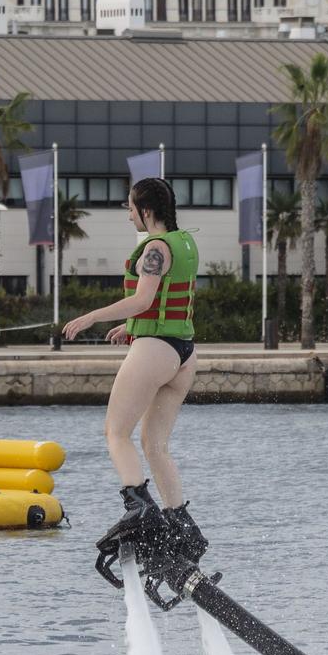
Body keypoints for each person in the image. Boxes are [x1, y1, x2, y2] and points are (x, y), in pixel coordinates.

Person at [60, 176, 204, 557]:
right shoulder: (184, 242)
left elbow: (142, 299)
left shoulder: (155, 247)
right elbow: (167, 300)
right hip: (184, 353)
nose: (128, 215)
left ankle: (140, 510)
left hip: (155, 352)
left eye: (130, 208)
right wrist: (132, 327)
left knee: (115, 433)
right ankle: (181, 526)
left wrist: (92, 317)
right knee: (154, 445)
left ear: (146, 210)